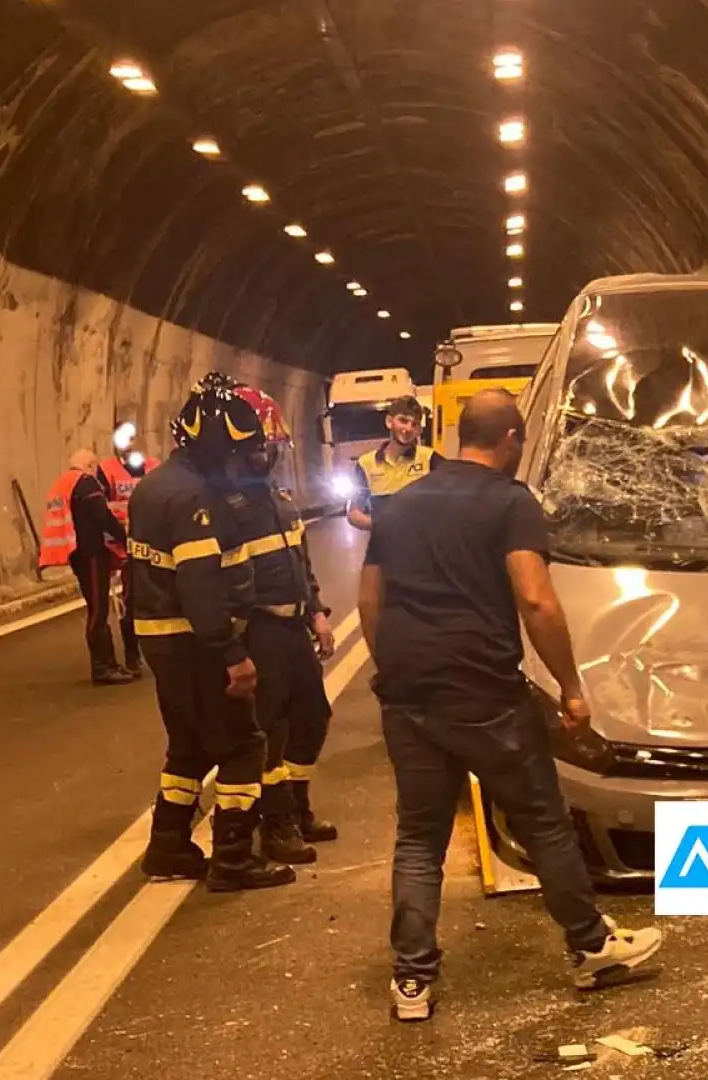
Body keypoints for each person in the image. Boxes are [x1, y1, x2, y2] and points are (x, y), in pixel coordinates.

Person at [359, 388, 661, 1022]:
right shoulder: (509, 502)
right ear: (513, 440)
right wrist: (572, 687)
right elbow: (536, 600)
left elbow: (370, 598)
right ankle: (591, 947)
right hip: (483, 692)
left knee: (419, 836)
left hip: (410, 690)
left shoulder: (401, 503)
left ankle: (412, 980)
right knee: (543, 819)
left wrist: (391, 667)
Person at [130, 373, 297, 893]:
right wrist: (232, 654)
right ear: (215, 449)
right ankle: (233, 859)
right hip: (196, 644)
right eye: (239, 454)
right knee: (244, 745)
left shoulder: (155, 485)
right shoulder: (195, 499)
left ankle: (169, 846)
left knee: (187, 746)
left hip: (164, 641)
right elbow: (201, 585)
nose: (244, 465)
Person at [224, 384, 340, 866]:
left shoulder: (279, 500)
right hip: (262, 632)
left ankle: (297, 805)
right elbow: (228, 586)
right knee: (269, 732)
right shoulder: (229, 511)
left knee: (312, 717)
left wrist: (317, 613)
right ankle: (276, 826)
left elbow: (301, 564)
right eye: (258, 448)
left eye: (271, 448)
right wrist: (236, 647)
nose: (266, 456)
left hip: (295, 630)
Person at [38, 449, 135, 685]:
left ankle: (109, 663)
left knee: (95, 607)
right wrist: (124, 538)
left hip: (77, 553)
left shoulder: (62, 483)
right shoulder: (86, 483)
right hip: (91, 553)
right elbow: (102, 516)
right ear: (90, 465)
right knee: (99, 610)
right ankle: (102, 667)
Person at [100, 420, 161, 676]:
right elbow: (100, 508)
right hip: (125, 546)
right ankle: (133, 656)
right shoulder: (106, 470)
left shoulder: (154, 466)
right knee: (131, 601)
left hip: (156, 543)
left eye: (132, 437)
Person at [346, 395, 434, 532]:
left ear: (419, 430)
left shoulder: (430, 458)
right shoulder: (365, 464)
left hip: (422, 549)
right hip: (383, 549)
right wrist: (381, 525)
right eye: (403, 421)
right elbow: (353, 514)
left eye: (415, 424)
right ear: (389, 421)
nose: (408, 428)